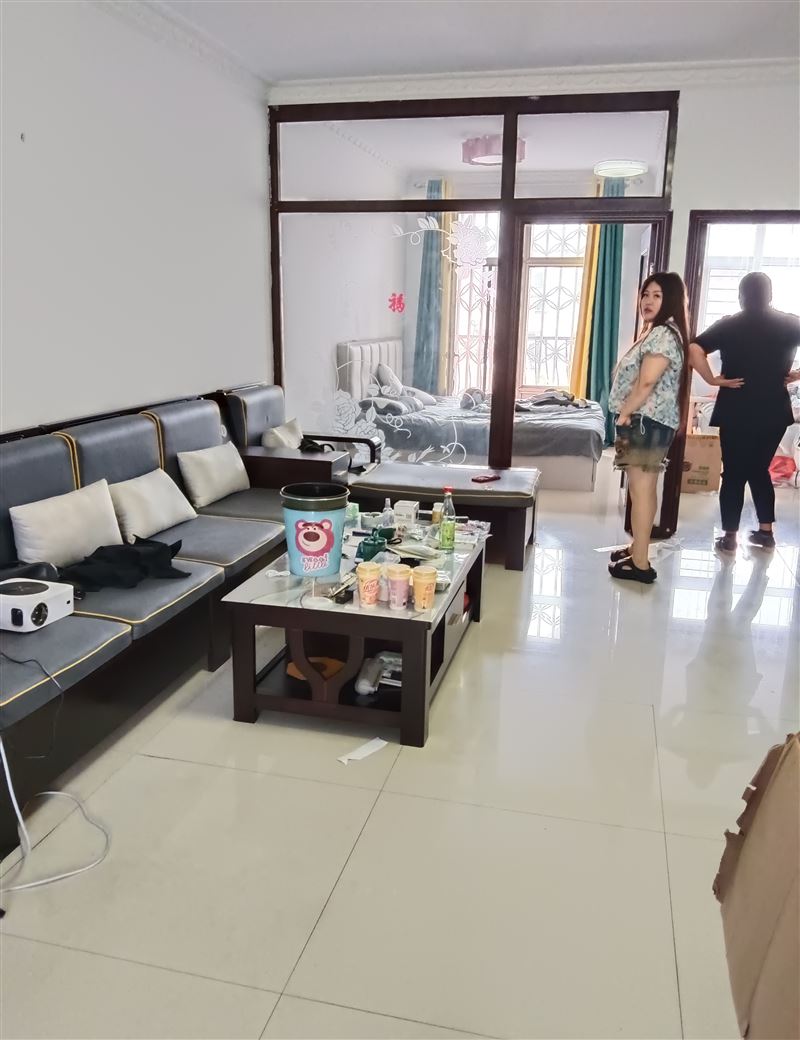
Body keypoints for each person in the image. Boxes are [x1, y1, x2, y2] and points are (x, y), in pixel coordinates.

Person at [689, 272, 800, 553]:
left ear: (741, 296)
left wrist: (713, 379)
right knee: (758, 469)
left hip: (735, 409)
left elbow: (694, 348)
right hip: (773, 410)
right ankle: (766, 532)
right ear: (770, 295)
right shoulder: (789, 323)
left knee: (734, 473)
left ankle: (729, 537)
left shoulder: (729, 325)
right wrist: (797, 374)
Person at [607, 273, 692, 584]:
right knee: (645, 489)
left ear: (670, 300)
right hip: (650, 422)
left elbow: (646, 382)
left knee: (640, 491)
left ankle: (640, 564)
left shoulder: (662, 335)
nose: (648, 301)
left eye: (657, 295)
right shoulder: (661, 331)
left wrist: (624, 414)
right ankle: (638, 548)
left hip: (643, 421)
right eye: (645, 294)